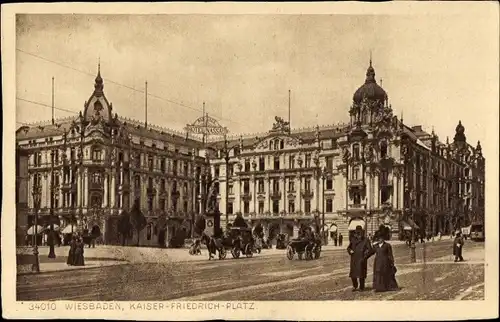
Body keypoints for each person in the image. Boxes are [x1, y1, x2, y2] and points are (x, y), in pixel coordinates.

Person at [372, 225, 399, 292]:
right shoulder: (375, 246)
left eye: (380, 238)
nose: (379, 239)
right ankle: (378, 287)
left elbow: (390, 255)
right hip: (377, 262)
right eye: (378, 238)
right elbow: (370, 252)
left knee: (385, 274)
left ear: (383, 238)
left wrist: (392, 263)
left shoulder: (387, 245)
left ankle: (386, 287)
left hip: (385, 263)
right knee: (378, 274)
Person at [347, 226, 374, 292]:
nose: (358, 234)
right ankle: (355, 286)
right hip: (354, 259)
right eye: (357, 232)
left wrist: (365, 257)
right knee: (353, 275)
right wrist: (350, 251)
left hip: (361, 259)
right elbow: (348, 248)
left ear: (362, 232)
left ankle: (362, 287)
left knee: (361, 274)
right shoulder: (353, 239)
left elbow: (371, 250)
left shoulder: (366, 240)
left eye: (360, 232)